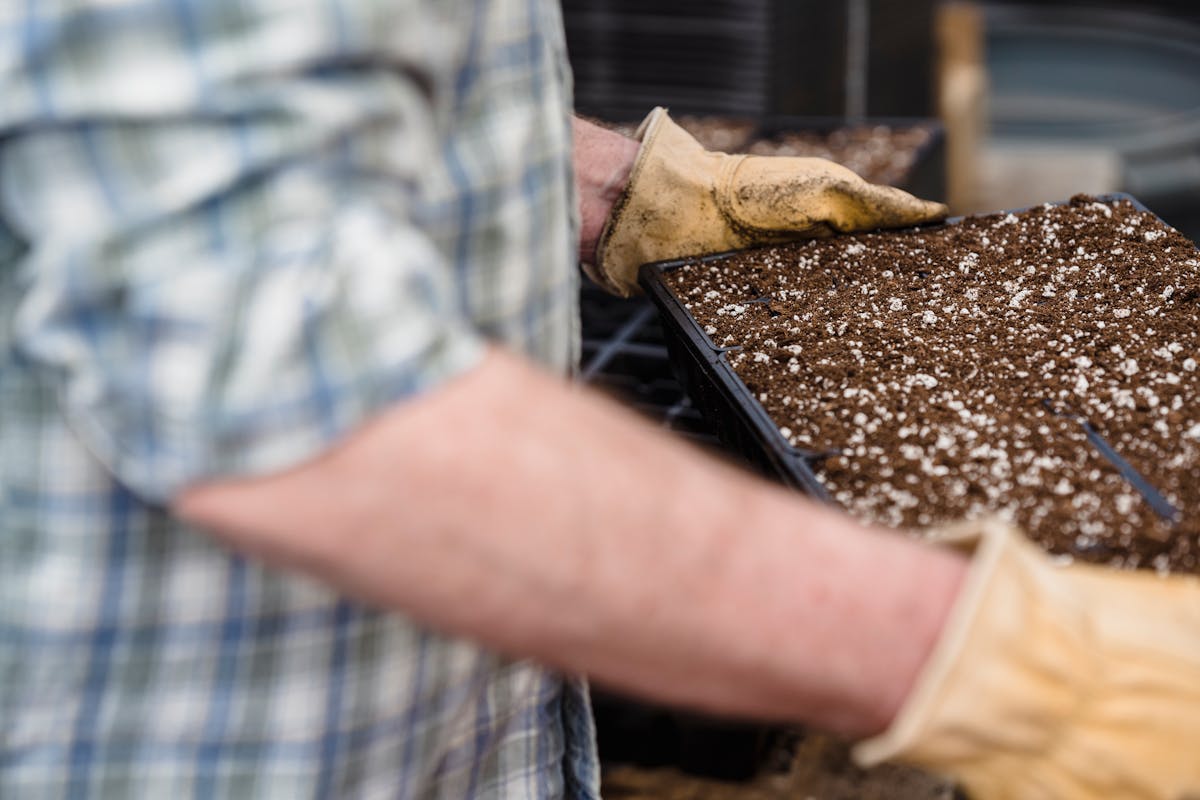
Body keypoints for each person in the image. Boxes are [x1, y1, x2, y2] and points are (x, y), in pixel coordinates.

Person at [0, 2, 1196, 798]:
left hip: (440, 707)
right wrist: (1017, 664)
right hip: (216, 736)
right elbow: (269, 384)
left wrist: (613, 185)